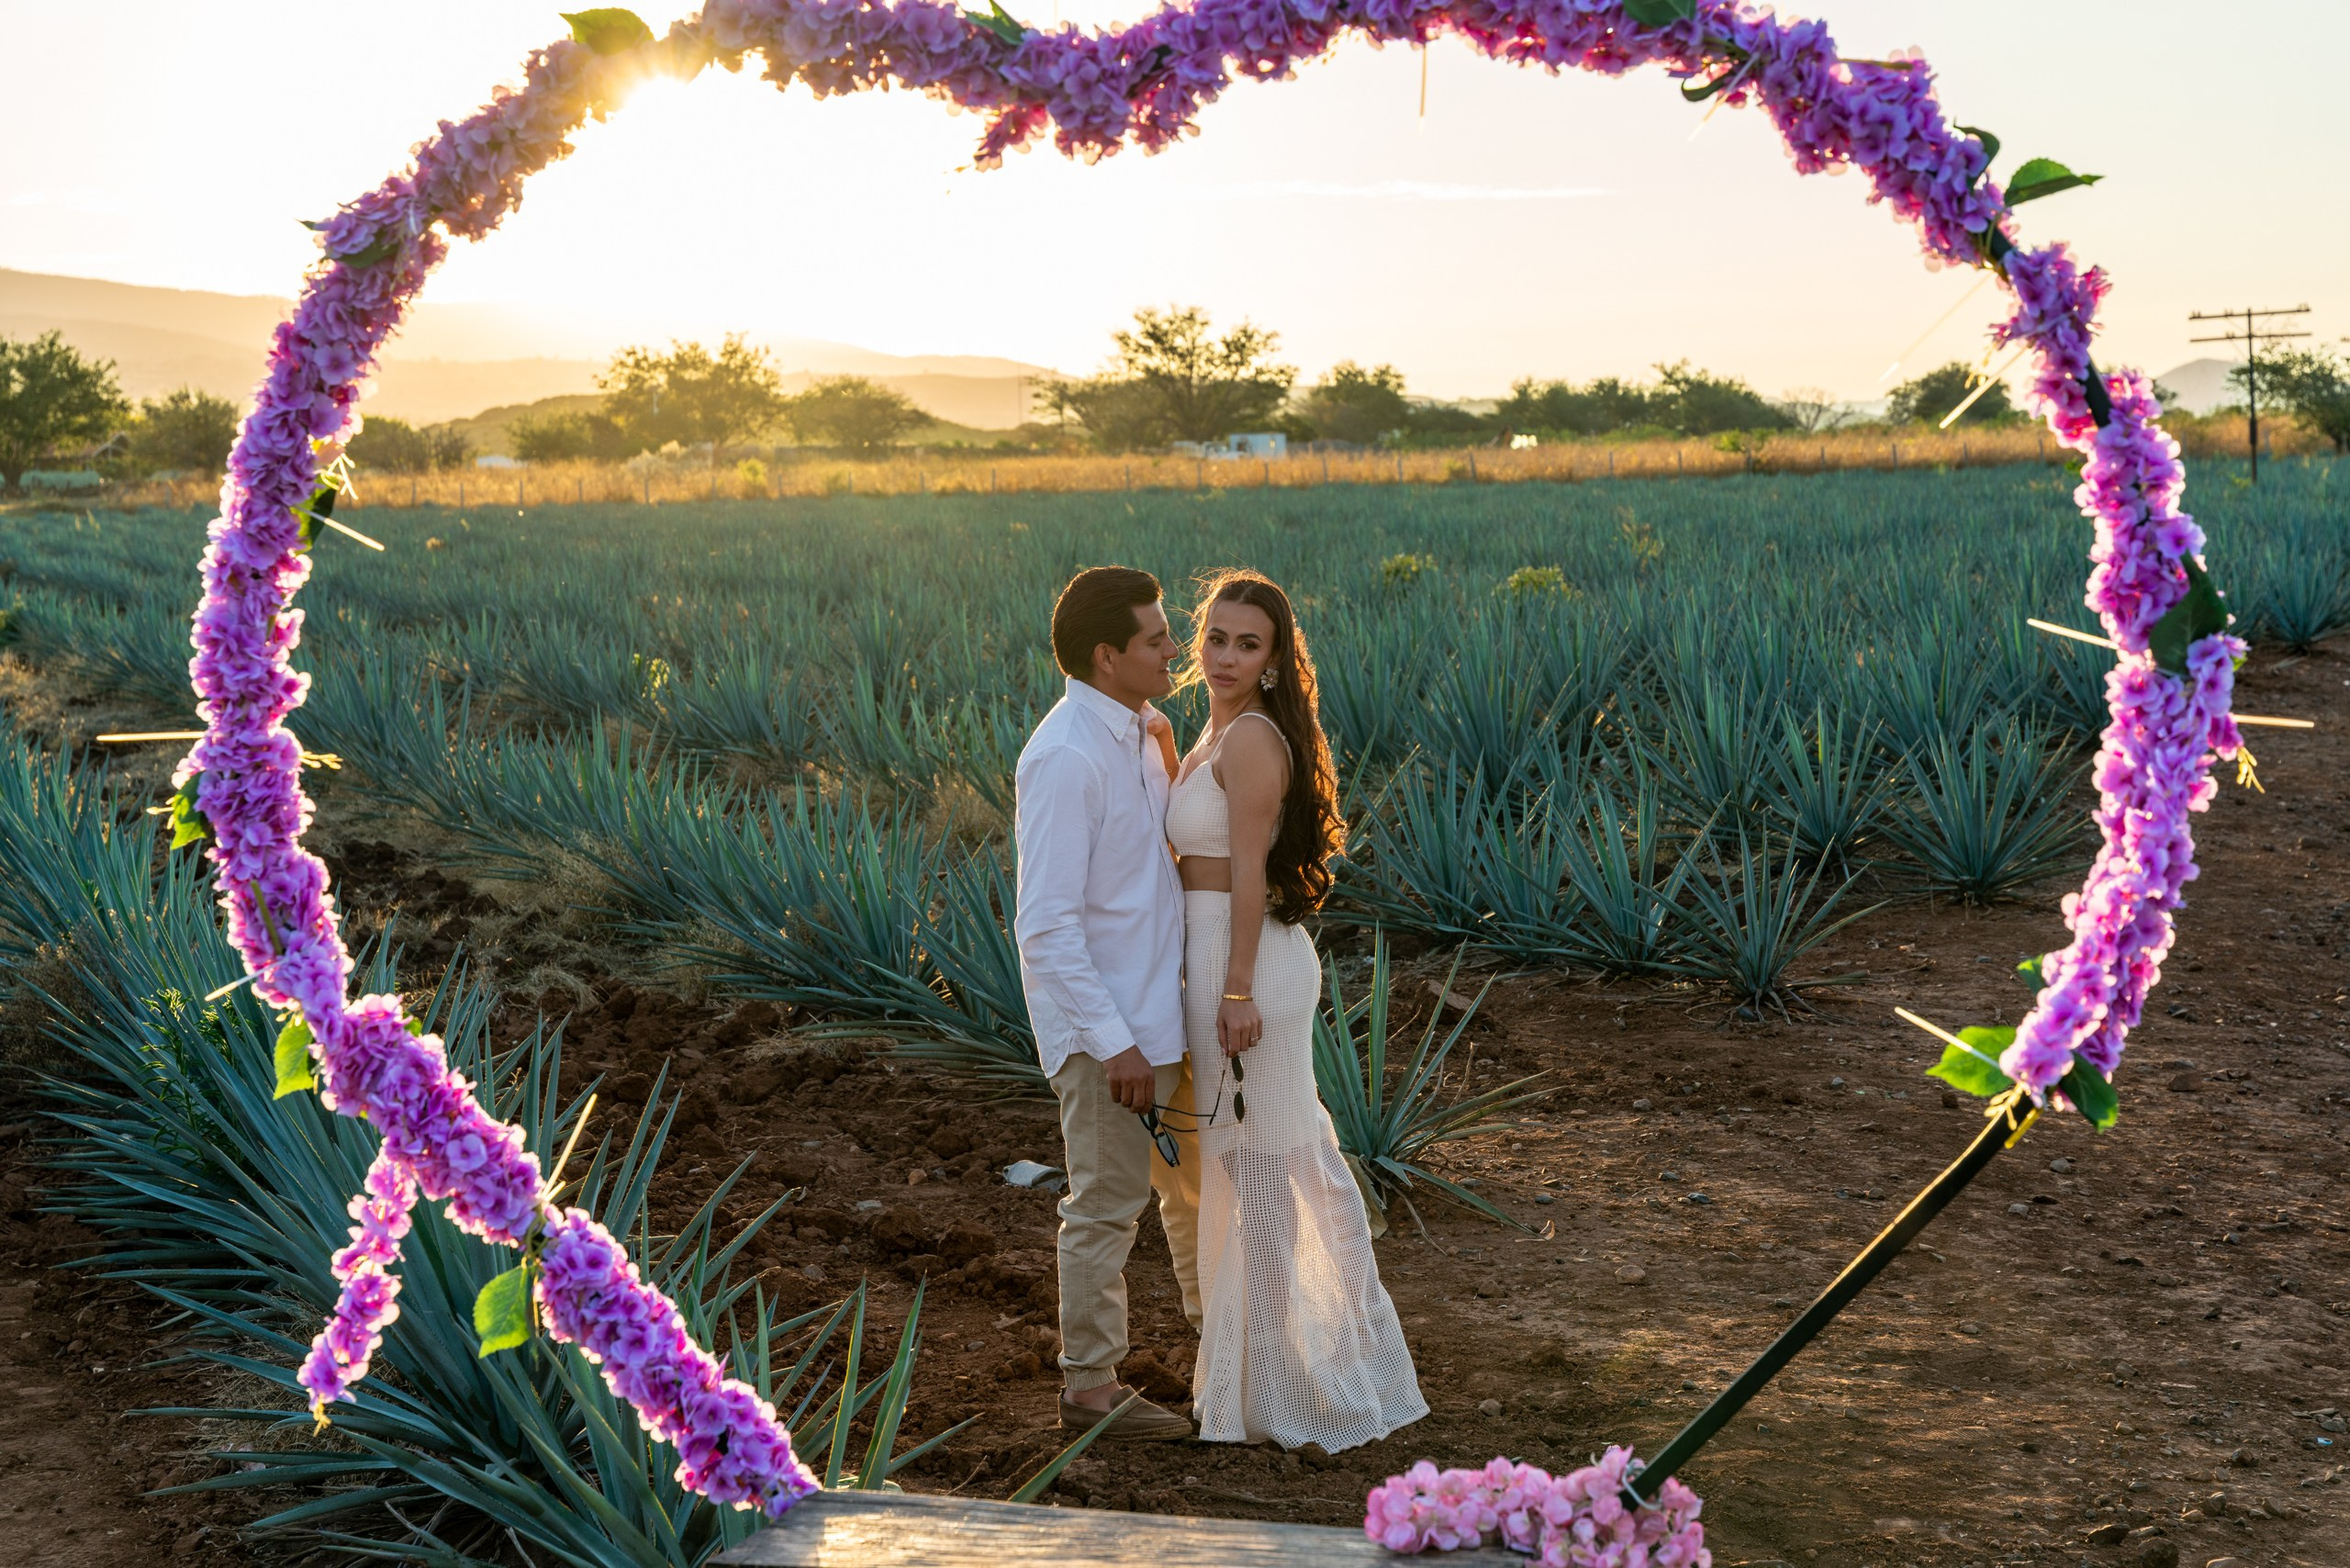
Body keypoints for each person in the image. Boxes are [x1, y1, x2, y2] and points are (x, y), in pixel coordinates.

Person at [1169, 568, 1426, 1452]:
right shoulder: (1215, 732)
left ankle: (1283, 1377)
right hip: (1219, 956)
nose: (1227, 656)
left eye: (1249, 644)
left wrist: (1236, 989)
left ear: (1275, 660)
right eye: (1216, 638)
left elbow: (1249, 872)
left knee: (1266, 1167)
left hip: (1245, 966)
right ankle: (1266, 1371)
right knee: (1253, 1166)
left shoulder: (1251, 740)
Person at [1013, 566, 1202, 1441]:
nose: (1174, 650)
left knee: (1188, 1203)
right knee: (1104, 1207)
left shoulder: (1136, 735)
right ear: (1105, 656)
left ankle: (1220, 1359)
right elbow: (1046, 926)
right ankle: (1089, 1390)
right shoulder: (1065, 758)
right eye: (1157, 639)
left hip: (1160, 1019)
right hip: (1111, 1036)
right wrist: (1113, 1042)